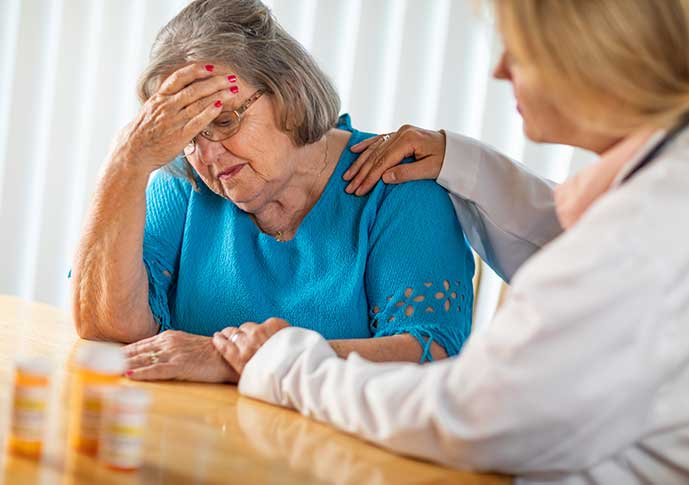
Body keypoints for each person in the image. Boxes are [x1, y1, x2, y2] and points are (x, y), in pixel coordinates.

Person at [211, 0, 689, 483]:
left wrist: (289, 366)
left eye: (518, 51)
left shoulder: (642, 234)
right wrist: (460, 161)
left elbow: (468, 417)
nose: (500, 70)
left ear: (590, 58)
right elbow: (571, 244)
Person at [69, 0, 475, 383]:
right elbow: (107, 325)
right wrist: (127, 160)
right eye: (187, 134)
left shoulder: (397, 184)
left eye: (224, 120)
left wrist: (239, 361)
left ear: (286, 90)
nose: (206, 154)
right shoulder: (184, 184)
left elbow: (431, 357)